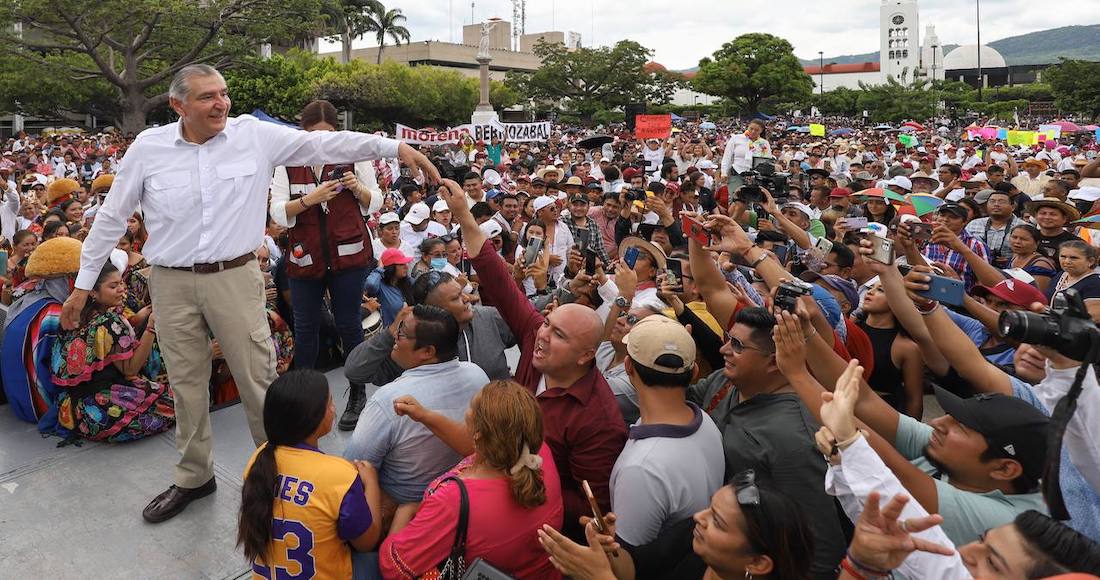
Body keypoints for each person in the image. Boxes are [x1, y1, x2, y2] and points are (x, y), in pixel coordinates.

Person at [62, 64, 440, 524]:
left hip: (235, 277)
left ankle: (278, 476)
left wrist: (394, 147)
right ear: (178, 105)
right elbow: (111, 217)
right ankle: (194, 476)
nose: (220, 103)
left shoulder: (254, 136)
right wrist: (82, 286)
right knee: (184, 383)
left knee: (258, 380)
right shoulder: (148, 147)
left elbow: (326, 144)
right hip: (171, 281)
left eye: (223, 93)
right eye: (207, 97)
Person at [440, 178, 627, 538]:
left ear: (586, 356)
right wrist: (463, 213)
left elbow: (594, 509)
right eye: (547, 324)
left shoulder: (599, 420)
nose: (542, 335)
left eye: (559, 335)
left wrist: (520, 475)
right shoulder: (533, 335)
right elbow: (498, 281)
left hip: (541, 529)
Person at [268, 101, 382, 432]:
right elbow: (277, 211)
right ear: (302, 132)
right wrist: (311, 199)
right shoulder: (288, 162)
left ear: (337, 131)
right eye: (314, 133)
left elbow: (375, 201)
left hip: (348, 254)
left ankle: (357, 393)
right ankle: (306, 401)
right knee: (305, 328)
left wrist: (357, 188)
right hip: (305, 255)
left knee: (349, 323)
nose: (321, 140)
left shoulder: (354, 154)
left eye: (328, 133)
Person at [379, 380, 563, 579]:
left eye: (471, 407)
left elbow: (394, 567)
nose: (466, 412)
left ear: (478, 433)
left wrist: (404, 512)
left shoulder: (454, 500)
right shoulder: (538, 454)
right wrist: (424, 415)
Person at [536, 470, 815, 580]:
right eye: (710, 507)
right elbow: (638, 567)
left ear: (757, 563)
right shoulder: (695, 540)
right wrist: (609, 552)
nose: (699, 517)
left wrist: (599, 577)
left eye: (717, 521)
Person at [237, 370, 383, 580]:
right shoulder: (340, 475)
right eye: (330, 403)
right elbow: (366, 542)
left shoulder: (258, 458)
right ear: (315, 419)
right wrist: (372, 482)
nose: (334, 408)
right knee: (384, 560)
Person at [344, 305, 489, 511]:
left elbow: (351, 468)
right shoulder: (478, 375)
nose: (395, 335)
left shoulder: (390, 400)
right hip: (463, 502)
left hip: (405, 514)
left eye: (401, 332)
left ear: (427, 351)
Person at [609, 316, 724, 546]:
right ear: (694, 372)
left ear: (628, 366)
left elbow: (624, 559)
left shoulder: (641, 470)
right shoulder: (706, 422)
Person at [49, 261, 174, 443]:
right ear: (93, 292)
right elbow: (130, 370)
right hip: (102, 410)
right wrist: (151, 327)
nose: (122, 289)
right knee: (176, 406)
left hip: (72, 411)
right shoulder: (110, 321)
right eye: (113, 286)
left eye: (121, 282)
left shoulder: (72, 317)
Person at [344, 271, 515, 386]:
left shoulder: (489, 318)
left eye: (461, 293)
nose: (467, 299)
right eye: (455, 298)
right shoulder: (411, 345)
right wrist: (391, 333)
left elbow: (527, 329)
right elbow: (355, 371)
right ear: (435, 313)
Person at [855, 281, 926, 417]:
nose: (870, 292)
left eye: (880, 290)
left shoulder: (907, 347)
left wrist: (909, 430)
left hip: (881, 417)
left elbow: (914, 401)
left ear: (898, 300)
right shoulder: (850, 329)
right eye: (871, 288)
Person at [1046, 240, 1100, 318]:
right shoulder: (1061, 275)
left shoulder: (1094, 283)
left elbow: (1095, 317)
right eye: (1063, 256)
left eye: (1074, 258)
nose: (1067, 261)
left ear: (1091, 261)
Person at [364, 248, 415, 327]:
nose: (406, 267)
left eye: (406, 263)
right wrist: (380, 268)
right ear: (391, 267)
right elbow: (370, 284)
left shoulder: (407, 283)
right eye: (401, 264)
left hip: (404, 330)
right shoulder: (380, 285)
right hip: (387, 331)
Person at [721, 119, 770, 193]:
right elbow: (727, 157)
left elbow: (767, 160)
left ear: (761, 131)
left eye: (756, 130)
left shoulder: (764, 143)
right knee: (736, 197)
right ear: (748, 127)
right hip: (737, 172)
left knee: (752, 198)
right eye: (751, 128)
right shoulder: (736, 138)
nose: (753, 131)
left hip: (756, 176)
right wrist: (724, 172)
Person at [1007, 224, 1057, 293]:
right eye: (1014, 237)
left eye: (1023, 239)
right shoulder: (1015, 257)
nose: (1017, 242)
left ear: (1037, 243)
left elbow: (1038, 294)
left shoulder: (1041, 265)